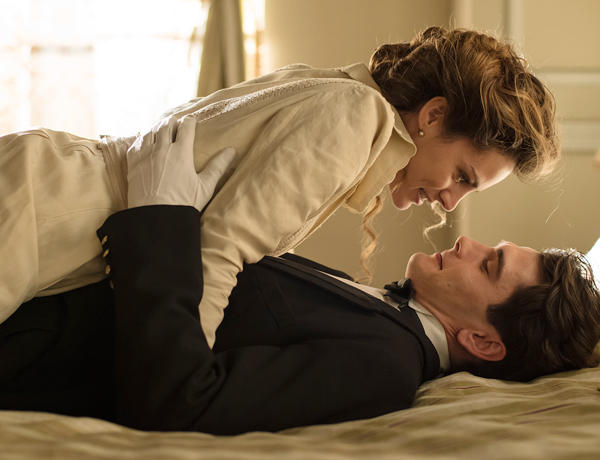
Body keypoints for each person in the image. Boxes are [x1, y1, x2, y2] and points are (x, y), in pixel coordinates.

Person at [0, 121, 598, 435]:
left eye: (490, 265)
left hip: (31, 340)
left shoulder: (384, 365)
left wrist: (159, 218)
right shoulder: (387, 316)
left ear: (484, 342)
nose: (468, 242)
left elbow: (179, 401)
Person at [0, 27, 559, 349]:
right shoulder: (356, 118)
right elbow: (219, 250)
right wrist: (180, 379)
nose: (451, 200)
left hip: (51, 197)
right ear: (434, 116)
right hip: (48, 208)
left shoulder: (344, 96)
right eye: (462, 175)